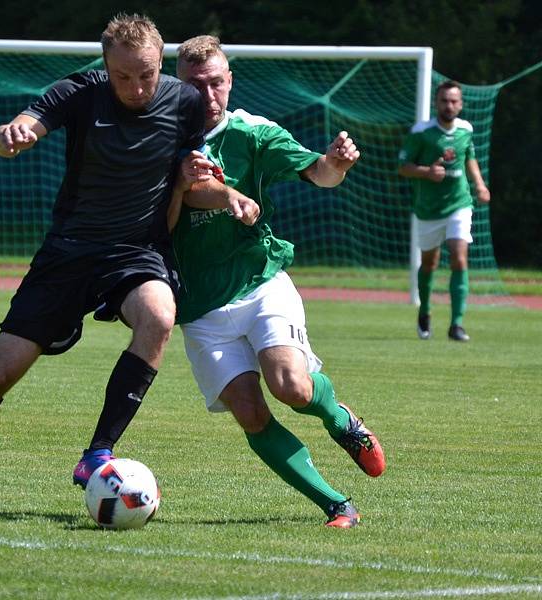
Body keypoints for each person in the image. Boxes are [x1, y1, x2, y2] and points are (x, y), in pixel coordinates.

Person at [0, 14, 205, 512]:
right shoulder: (80, 92)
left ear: (160, 60)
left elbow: (194, 169)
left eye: (146, 73)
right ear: (105, 67)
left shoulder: (185, 102)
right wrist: (10, 135)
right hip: (68, 252)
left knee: (159, 317)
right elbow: (15, 131)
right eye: (123, 76)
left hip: (135, 252)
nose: (136, 86)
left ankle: (98, 452)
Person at [170, 36, 385, 528]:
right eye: (194, 85)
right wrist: (202, 190)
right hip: (200, 304)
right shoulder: (158, 136)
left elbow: (320, 174)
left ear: (230, 82)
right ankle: (337, 505)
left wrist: (337, 163)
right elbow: (167, 214)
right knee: (249, 412)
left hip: (259, 281)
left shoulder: (252, 132)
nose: (206, 95)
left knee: (291, 386)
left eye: (215, 83)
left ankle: (342, 421)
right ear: (176, 85)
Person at [398, 80, 491, 342]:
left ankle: (456, 324)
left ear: (461, 104)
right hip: (428, 208)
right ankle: (425, 311)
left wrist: (480, 185)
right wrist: (426, 172)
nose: (449, 105)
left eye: (454, 101)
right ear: (436, 103)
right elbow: (403, 167)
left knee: (459, 257)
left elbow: (469, 157)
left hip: (459, 204)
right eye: (444, 101)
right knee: (430, 263)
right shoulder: (421, 132)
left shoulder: (466, 130)